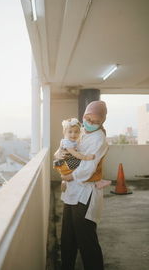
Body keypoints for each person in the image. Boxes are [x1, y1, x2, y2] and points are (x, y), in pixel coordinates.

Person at [54, 100, 109, 270]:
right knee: (68, 237)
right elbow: (62, 149)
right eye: (88, 118)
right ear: (83, 116)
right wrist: (59, 157)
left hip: (85, 194)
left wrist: (69, 176)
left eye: (96, 121)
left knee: (86, 240)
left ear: (102, 121)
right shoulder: (81, 131)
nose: (90, 123)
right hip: (71, 193)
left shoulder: (99, 139)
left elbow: (88, 168)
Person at [53, 117, 111, 192]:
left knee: (88, 166)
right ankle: (65, 182)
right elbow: (75, 154)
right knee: (84, 164)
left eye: (76, 132)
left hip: (66, 164)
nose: (73, 134)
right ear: (64, 133)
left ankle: (98, 181)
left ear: (79, 132)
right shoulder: (67, 143)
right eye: (70, 132)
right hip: (66, 165)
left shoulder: (73, 140)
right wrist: (86, 157)